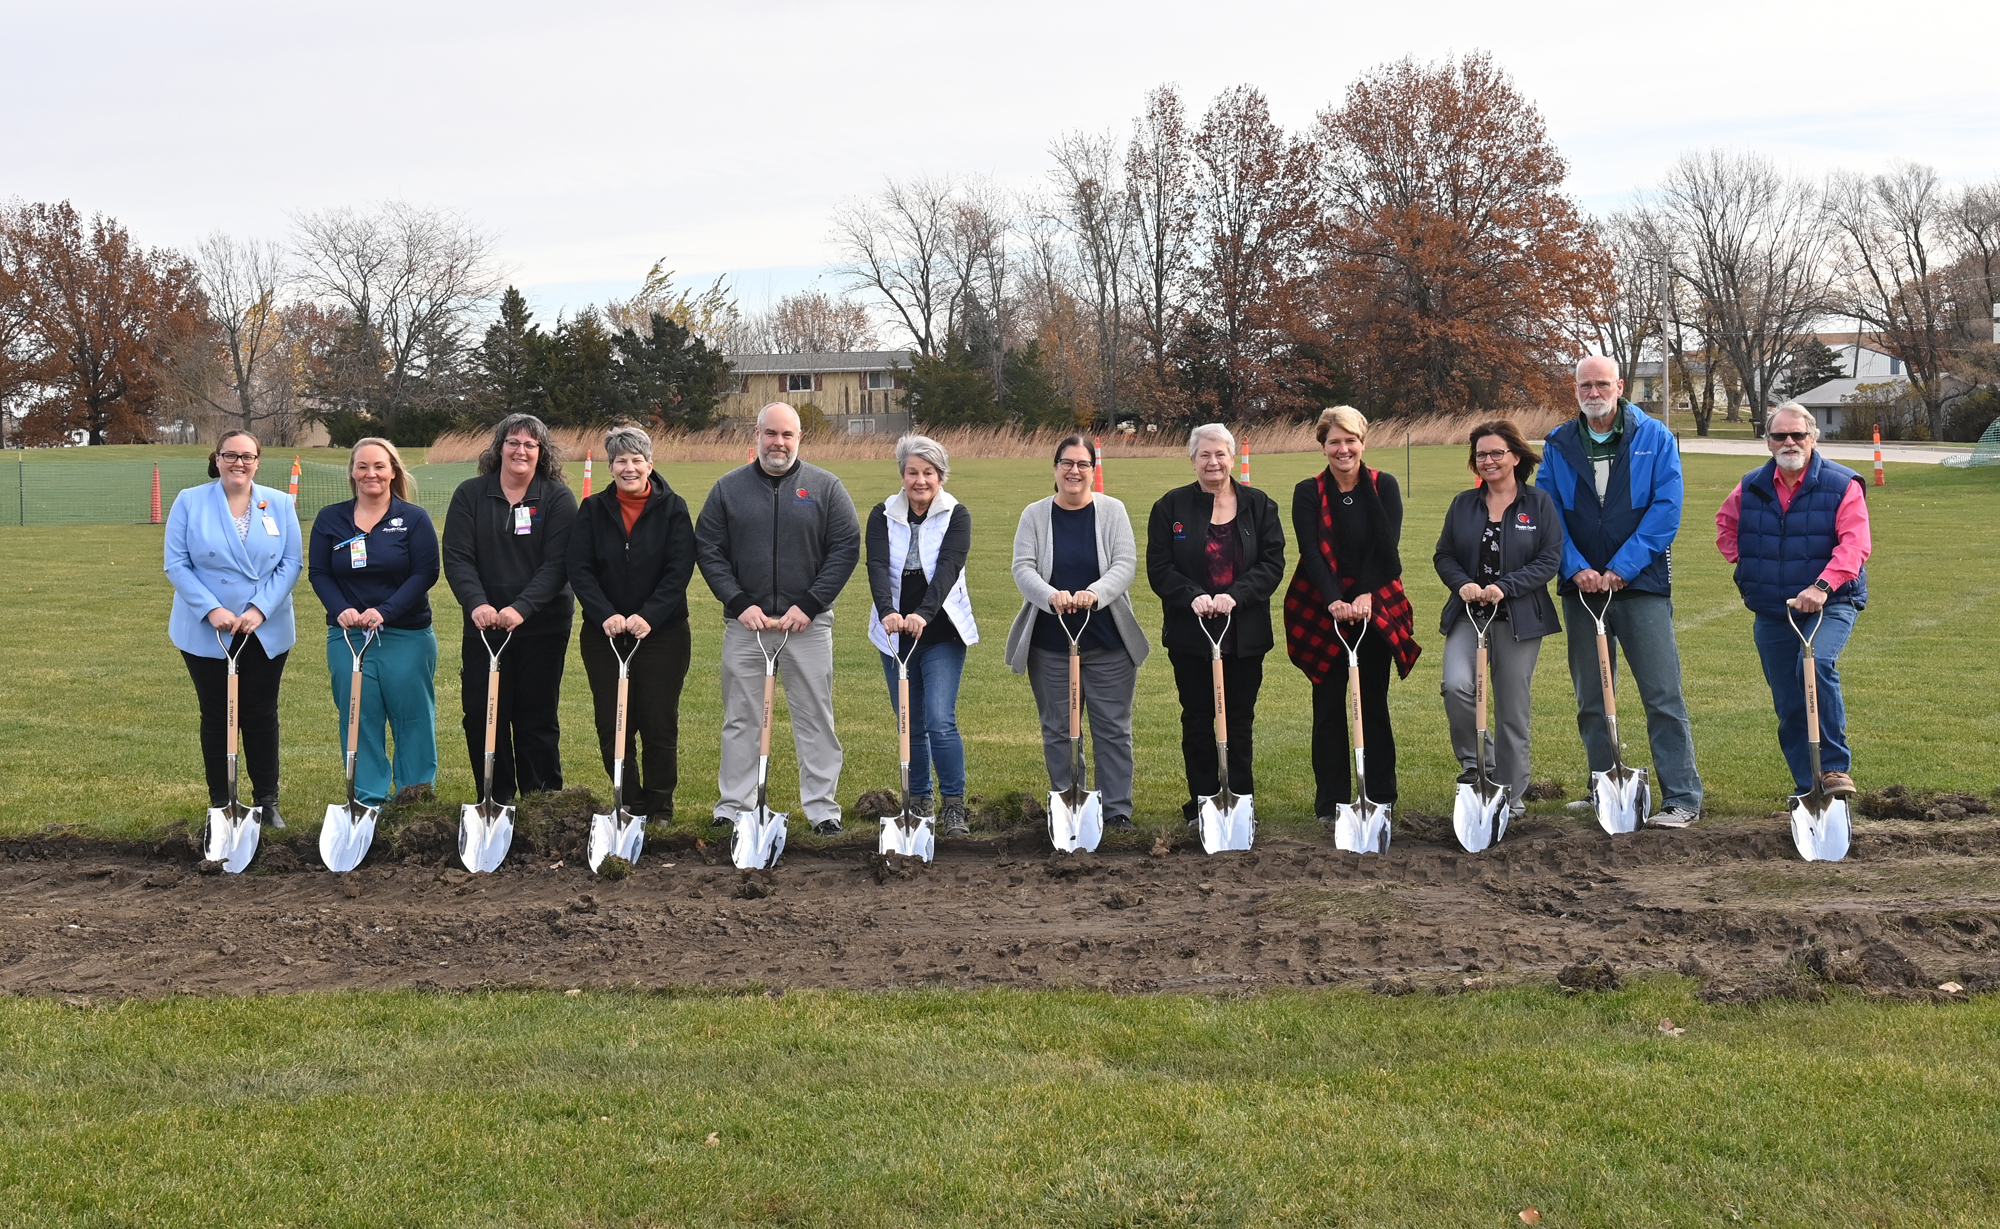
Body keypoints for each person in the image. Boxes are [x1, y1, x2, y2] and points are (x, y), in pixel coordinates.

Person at [1538, 356, 1702, 827]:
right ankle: (1604, 785)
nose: (1594, 392)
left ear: (1620, 386)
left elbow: (1665, 511)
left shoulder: (1655, 437)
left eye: (1601, 384)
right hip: (1582, 588)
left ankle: (1682, 797)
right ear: (1576, 390)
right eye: (1585, 385)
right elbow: (1549, 514)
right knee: (1592, 696)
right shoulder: (1558, 443)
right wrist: (1577, 569)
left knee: (1662, 694)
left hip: (1641, 586)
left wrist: (1623, 569)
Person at [695, 402, 861, 835]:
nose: (778, 443)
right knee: (741, 718)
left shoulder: (826, 487)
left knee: (815, 717)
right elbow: (708, 549)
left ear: (799, 438)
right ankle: (733, 807)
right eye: (771, 434)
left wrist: (809, 604)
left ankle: (823, 810)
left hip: (805, 625)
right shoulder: (727, 489)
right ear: (756, 435)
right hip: (745, 626)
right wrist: (737, 602)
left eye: (787, 435)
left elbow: (845, 547)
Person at [1715, 403, 1870, 800]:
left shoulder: (1842, 484)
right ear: (1767, 442)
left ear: (1812, 438)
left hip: (1831, 602)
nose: (1789, 442)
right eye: (1779, 435)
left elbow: (1855, 546)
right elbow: (1725, 526)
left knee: (1816, 664)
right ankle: (1809, 789)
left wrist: (1821, 587)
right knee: (1787, 700)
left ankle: (1834, 770)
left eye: (1797, 435)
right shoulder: (1751, 484)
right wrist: (1748, 565)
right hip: (1773, 608)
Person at [1005, 434, 1151, 831]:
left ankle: (1116, 810)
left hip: (1107, 639)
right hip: (1051, 643)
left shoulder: (1113, 510)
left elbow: (1124, 564)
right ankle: (1070, 801)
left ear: (1092, 470)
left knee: (1113, 728)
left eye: (1082, 464)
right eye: (1067, 463)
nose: (1074, 471)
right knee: (1059, 728)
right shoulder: (1034, 515)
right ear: (1055, 469)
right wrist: (1051, 596)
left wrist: (1093, 594)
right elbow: (1023, 568)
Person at [1283, 406, 1421, 821]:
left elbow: (1386, 549)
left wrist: (1363, 596)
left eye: (1350, 440)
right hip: (1321, 607)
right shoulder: (1308, 491)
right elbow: (1310, 553)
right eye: (1334, 442)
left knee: (1372, 704)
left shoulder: (1385, 486)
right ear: (1323, 446)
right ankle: (1330, 802)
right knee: (1327, 708)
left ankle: (1381, 796)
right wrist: (1333, 602)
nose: (1343, 449)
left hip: (1374, 605)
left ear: (1363, 442)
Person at [1146, 423, 1286, 827]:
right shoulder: (1170, 507)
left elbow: (1272, 564)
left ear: (1232, 458)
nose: (1213, 462)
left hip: (1244, 634)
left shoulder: (1259, 505)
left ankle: (1240, 803)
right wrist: (1192, 595)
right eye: (1204, 455)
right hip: (1191, 635)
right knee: (1197, 719)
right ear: (1192, 459)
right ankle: (1202, 804)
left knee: (1239, 720)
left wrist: (1235, 595)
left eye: (1220, 454)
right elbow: (1160, 568)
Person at [164, 430, 302, 827]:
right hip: (207, 630)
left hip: (265, 628)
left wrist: (260, 610)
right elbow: (177, 563)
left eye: (247, 456)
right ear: (217, 459)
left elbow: (290, 564)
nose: (238, 463)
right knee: (216, 714)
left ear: (258, 461)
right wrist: (211, 610)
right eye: (230, 455)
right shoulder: (190, 501)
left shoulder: (278, 503)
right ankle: (222, 802)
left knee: (260, 713)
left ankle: (267, 801)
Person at [1432, 419, 1564, 823]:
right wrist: (1464, 585)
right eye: (1481, 455)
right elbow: (1444, 555)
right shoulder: (1463, 505)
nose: (1488, 461)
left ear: (1515, 456)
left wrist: (1507, 586)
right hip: (1470, 614)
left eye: (1496, 453)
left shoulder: (1538, 504)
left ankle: (1511, 789)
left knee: (1511, 705)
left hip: (1519, 616)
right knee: (1456, 686)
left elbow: (1549, 559)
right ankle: (1477, 768)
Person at [442, 413, 578, 805]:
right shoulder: (470, 495)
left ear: (542, 452)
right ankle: (495, 799)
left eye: (530, 445)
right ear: (499, 447)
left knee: (536, 717)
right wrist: (477, 604)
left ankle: (542, 803)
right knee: (483, 717)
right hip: (485, 629)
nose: (521, 451)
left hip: (542, 626)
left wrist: (522, 608)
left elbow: (557, 564)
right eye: (513, 442)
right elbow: (457, 558)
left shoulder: (556, 497)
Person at [567, 425, 697, 820]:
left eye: (636, 460)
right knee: (614, 723)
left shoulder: (673, 508)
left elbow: (679, 569)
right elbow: (579, 567)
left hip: (662, 634)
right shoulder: (592, 510)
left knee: (659, 722)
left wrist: (648, 617)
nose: (629, 467)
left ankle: (660, 807)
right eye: (621, 460)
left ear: (650, 464)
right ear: (610, 467)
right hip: (604, 634)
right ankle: (629, 802)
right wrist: (605, 613)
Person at [307, 438, 441, 807]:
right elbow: (319, 573)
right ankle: (367, 799)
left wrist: (386, 611)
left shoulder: (413, 518)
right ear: (351, 472)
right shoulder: (330, 518)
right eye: (363, 466)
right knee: (358, 716)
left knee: (412, 717)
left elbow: (426, 572)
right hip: (349, 638)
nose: (371, 474)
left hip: (406, 634)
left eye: (380, 466)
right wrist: (341, 610)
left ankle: (415, 794)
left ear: (393, 471)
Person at [866, 434, 979, 836]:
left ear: (941, 476)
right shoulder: (882, 515)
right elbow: (877, 566)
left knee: (939, 719)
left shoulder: (956, 515)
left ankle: (953, 805)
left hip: (941, 631)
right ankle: (918, 799)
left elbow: (949, 568)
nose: (920, 480)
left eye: (928, 472)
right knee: (908, 722)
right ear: (902, 475)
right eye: (912, 472)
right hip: (895, 633)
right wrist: (888, 614)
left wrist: (923, 615)